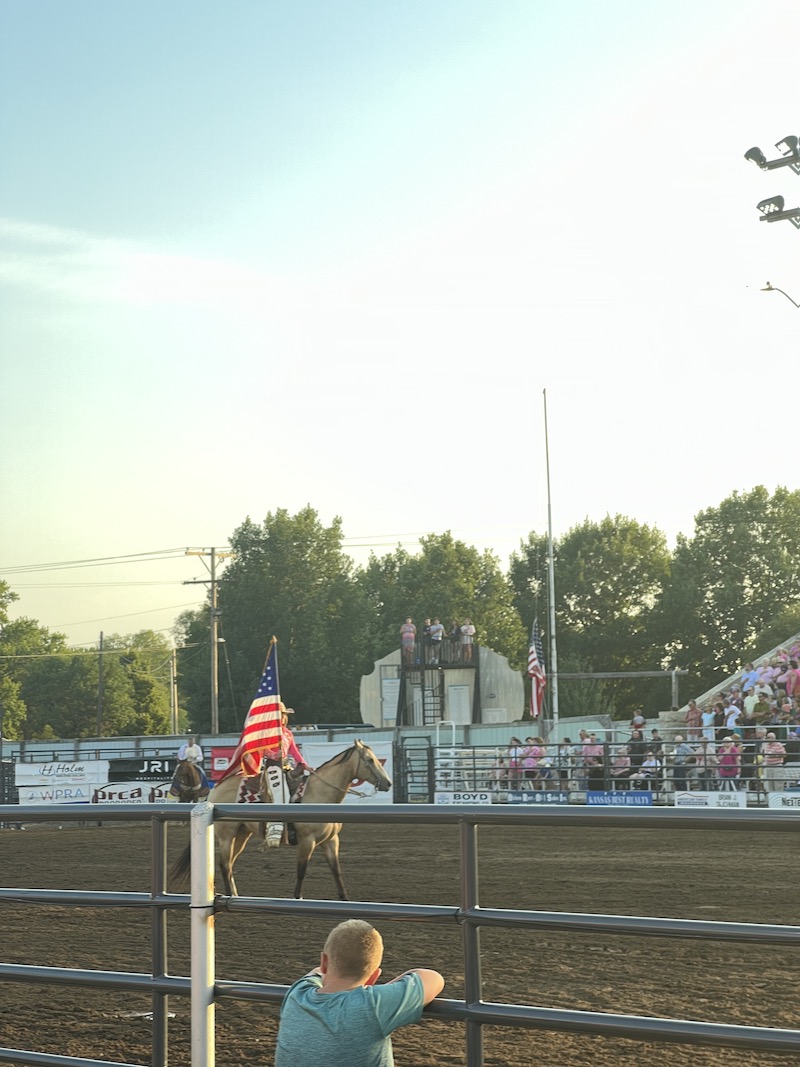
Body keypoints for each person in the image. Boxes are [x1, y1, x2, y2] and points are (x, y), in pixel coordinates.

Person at [274, 919, 444, 1067]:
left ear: (324, 961)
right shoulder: (372, 1005)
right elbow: (432, 978)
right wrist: (378, 990)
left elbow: (315, 972)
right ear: (374, 977)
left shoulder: (298, 993)